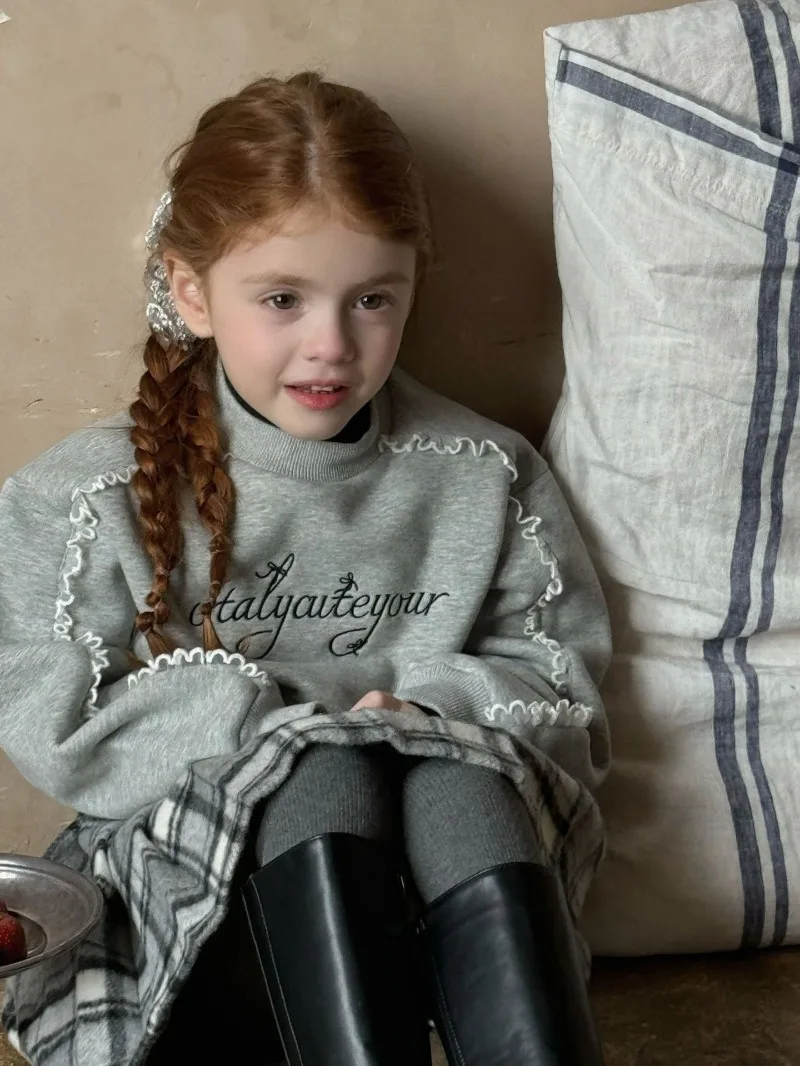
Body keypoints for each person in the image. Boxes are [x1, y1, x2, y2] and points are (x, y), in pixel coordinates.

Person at [0, 72, 611, 1066]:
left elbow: (561, 683)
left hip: (440, 867)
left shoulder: (485, 473)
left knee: (457, 781)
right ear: (192, 293)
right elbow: (54, 718)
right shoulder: (80, 497)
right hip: (205, 899)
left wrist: (425, 713)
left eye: (372, 299)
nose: (330, 345)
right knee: (319, 769)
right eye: (282, 299)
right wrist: (282, 724)